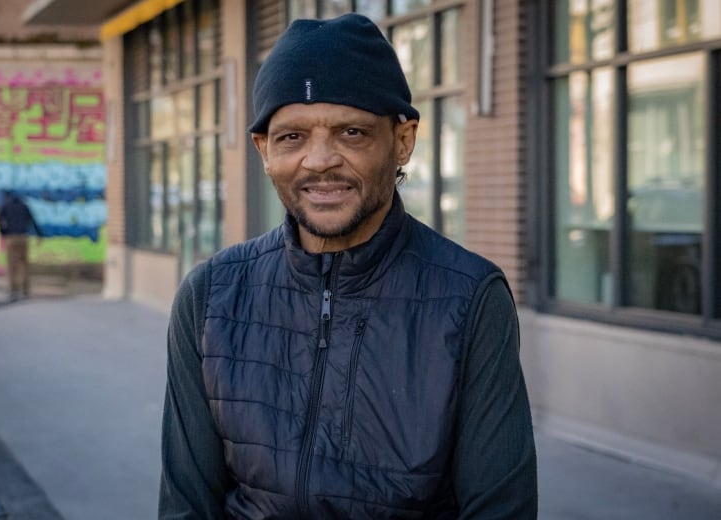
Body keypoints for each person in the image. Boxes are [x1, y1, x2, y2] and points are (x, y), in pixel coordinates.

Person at [159, 13, 537, 519]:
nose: (319, 161)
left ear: (402, 140)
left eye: (352, 132)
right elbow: (186, 506)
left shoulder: (469, 298)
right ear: (264, 150)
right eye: (291, 137)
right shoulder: (210, 297)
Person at [0, 191, 41, 301]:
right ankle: (25, 289)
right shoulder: (24, 206)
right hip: (23, 237)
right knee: (24, 264)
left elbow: (0, 220)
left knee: (12, 266)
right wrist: (39, 234)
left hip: (11, 238)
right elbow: (32, 221)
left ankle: (14, 289)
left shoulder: (6, 206)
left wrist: (4, 233)